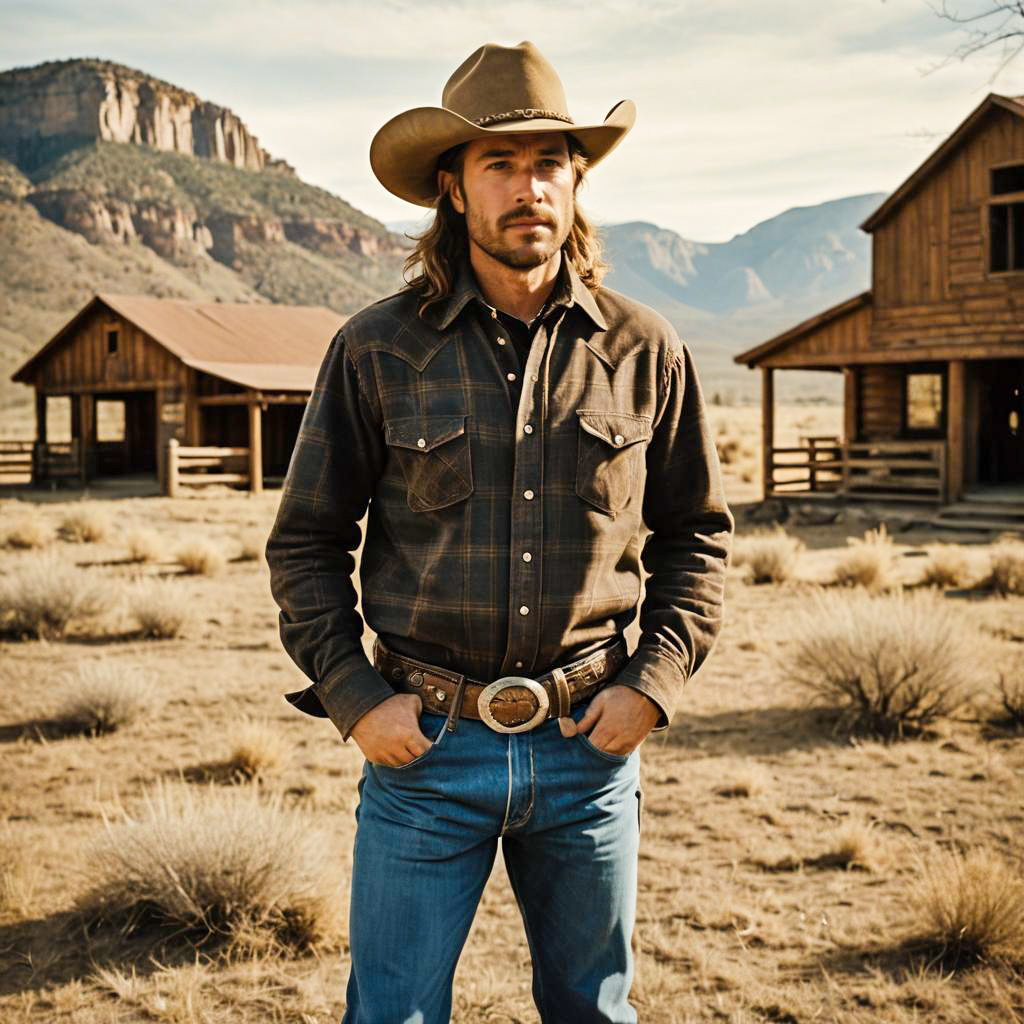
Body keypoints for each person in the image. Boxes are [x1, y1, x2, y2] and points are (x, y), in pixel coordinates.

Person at [265, 40, 733, 1024]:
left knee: (593, 1012)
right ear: (453, 188)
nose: (530, 187)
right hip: (424, 750)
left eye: (550, 162)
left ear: (575, 180)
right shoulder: (376, 348)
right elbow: (304, 541)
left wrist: (651, 685)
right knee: (390, 1015)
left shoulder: (643, 347)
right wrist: (354, 698)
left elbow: (699, 534)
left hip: (589, 746)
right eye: (500, 165)